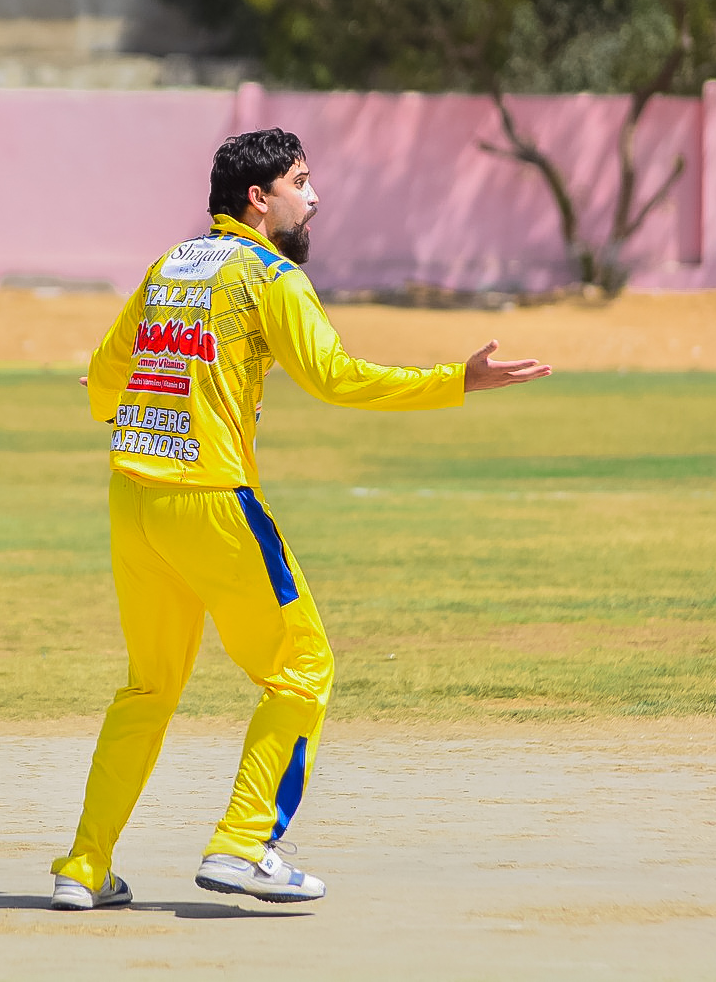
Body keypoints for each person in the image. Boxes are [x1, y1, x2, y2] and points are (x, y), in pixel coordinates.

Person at [49, 127, 551, 909]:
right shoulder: (271, 274)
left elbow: (104, 383)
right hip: (212, 501)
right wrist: (456, 380)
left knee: (148, 688)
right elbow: (335, 377)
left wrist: (139, 399)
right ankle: (243, 842)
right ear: (259, 197)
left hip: (133, 501)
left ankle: (84, 865)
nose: (314, 198)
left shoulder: (170, 265)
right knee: (303, 667)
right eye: (301, 182)